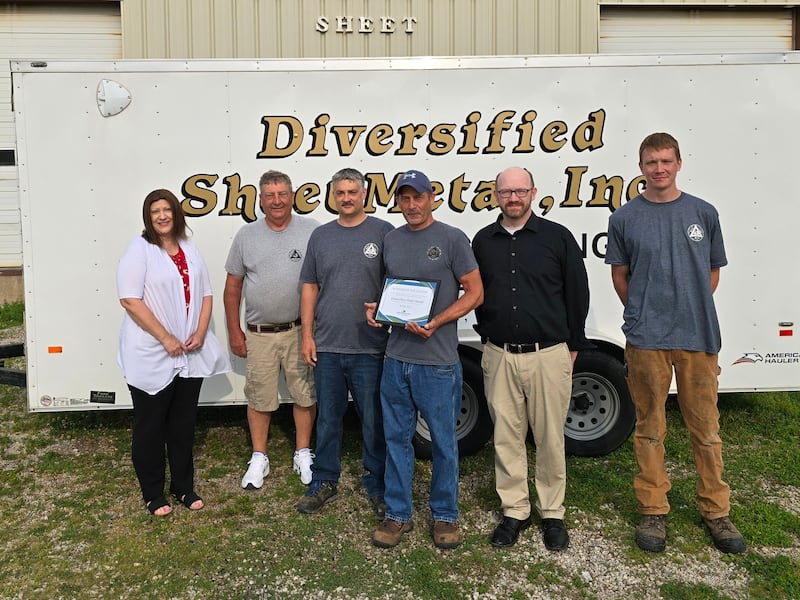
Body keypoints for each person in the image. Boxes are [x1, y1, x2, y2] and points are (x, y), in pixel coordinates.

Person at [605, 132, 746, 554]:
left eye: (666, 161)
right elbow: (619, 275)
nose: (659, 169)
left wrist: (690, 306)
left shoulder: (703, 213)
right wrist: (644, 313)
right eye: (651, 162)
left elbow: (713, 272)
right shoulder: (624, 218)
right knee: (650, 428)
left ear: (679, 163)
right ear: (641, 167)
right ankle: (653, 508)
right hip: (647, 340)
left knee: (705, 429)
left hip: (698, 338)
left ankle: (716, 512)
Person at [472, 166, 591, 551]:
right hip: (499, 354)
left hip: (548, 355)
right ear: (495, 195)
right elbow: (475, 292)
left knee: (550, 436)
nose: (513, 198)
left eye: (520, 191)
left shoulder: (557, 238)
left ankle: (552, 513)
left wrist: (572, 345)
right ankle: (515, 510)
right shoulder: (482, 241)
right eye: (506, 192)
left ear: (534, 193)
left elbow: (578, 293)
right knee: (506, 436)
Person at [365, 169, 483, 550]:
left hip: (438, 362)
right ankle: (398, 513)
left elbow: (475, 292)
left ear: (432, 197)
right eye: (404, 198)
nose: (412, 205)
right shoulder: (391, 240)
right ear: (397, 201)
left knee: (444, 442)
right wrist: (378, 310)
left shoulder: (452, 239)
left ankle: (445, 515)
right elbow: (392, 292)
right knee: (396, 439)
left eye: (418, 197)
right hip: (396, 359)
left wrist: (437, 322)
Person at [117, 189, 231, 516]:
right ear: (148, 217)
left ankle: (183, 486)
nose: (162, 216)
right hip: (152, 352)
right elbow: (129, 299)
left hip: (188, 352)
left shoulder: (188, 248)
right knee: (151, 425)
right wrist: (166, 337)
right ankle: (153, 493)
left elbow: (207, 294)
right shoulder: (139, 250)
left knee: (182, 425)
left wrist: (199, 331)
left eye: (168, 210)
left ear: (177, 214)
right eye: (155, 211)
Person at [295, 168, 394, 518]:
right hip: (328, 346)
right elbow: (309, 286)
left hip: (371, 347)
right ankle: (324, 479)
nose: (347, 198)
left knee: (373, 419)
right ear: (333, 196)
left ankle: (378, 483)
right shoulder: (321, 236)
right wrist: (308, 335)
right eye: (341, 193)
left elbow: (396, 283)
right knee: (328, 419)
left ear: (364, 194)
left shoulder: (383, 233)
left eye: (353, 192)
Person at [224, 170, 318, 489]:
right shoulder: (246, 236)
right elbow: (232, 288)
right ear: (260, 200)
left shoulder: (312, 232)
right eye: (269, 195)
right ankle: (259, 457)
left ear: (292, 197)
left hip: (299, 331)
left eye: (282, 194)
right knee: (259, 397)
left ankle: (303, 452)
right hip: (259, 333)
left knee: (304, 394)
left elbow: (323, 280)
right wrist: (235, 332)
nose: (276, 201)